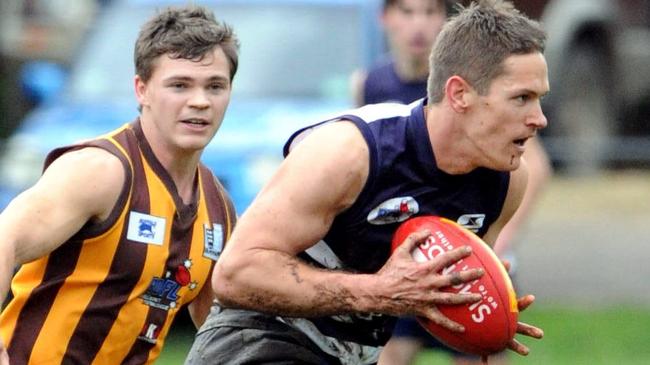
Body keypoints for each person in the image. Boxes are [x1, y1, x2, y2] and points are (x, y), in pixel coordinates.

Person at [186, 1, 547, 364]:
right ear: (459, 94)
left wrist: (486, 319)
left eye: (539, 99)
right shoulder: (350, 152)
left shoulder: (506, 184)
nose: (540, 119)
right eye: (521, 98)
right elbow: (235, 274)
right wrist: (376, 291)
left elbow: (433, 296)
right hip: (260, 343)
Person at [0, 5, 239, 364]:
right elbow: (5, 239)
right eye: (179, 85)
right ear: (141, 89)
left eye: (215, 86)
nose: (200, 101)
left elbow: (220, 327)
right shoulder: (102, 171)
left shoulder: (218, 207)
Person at [350, 1, 553, 365]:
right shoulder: (369, 84)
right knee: (392, 351)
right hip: (406, 252)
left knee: (484, 342)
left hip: (463, 236)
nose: (419, 25)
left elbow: (534, 165)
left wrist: (500, 241)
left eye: (429, 13)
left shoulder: (477, 77)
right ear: (386, 18)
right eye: (408, 12)